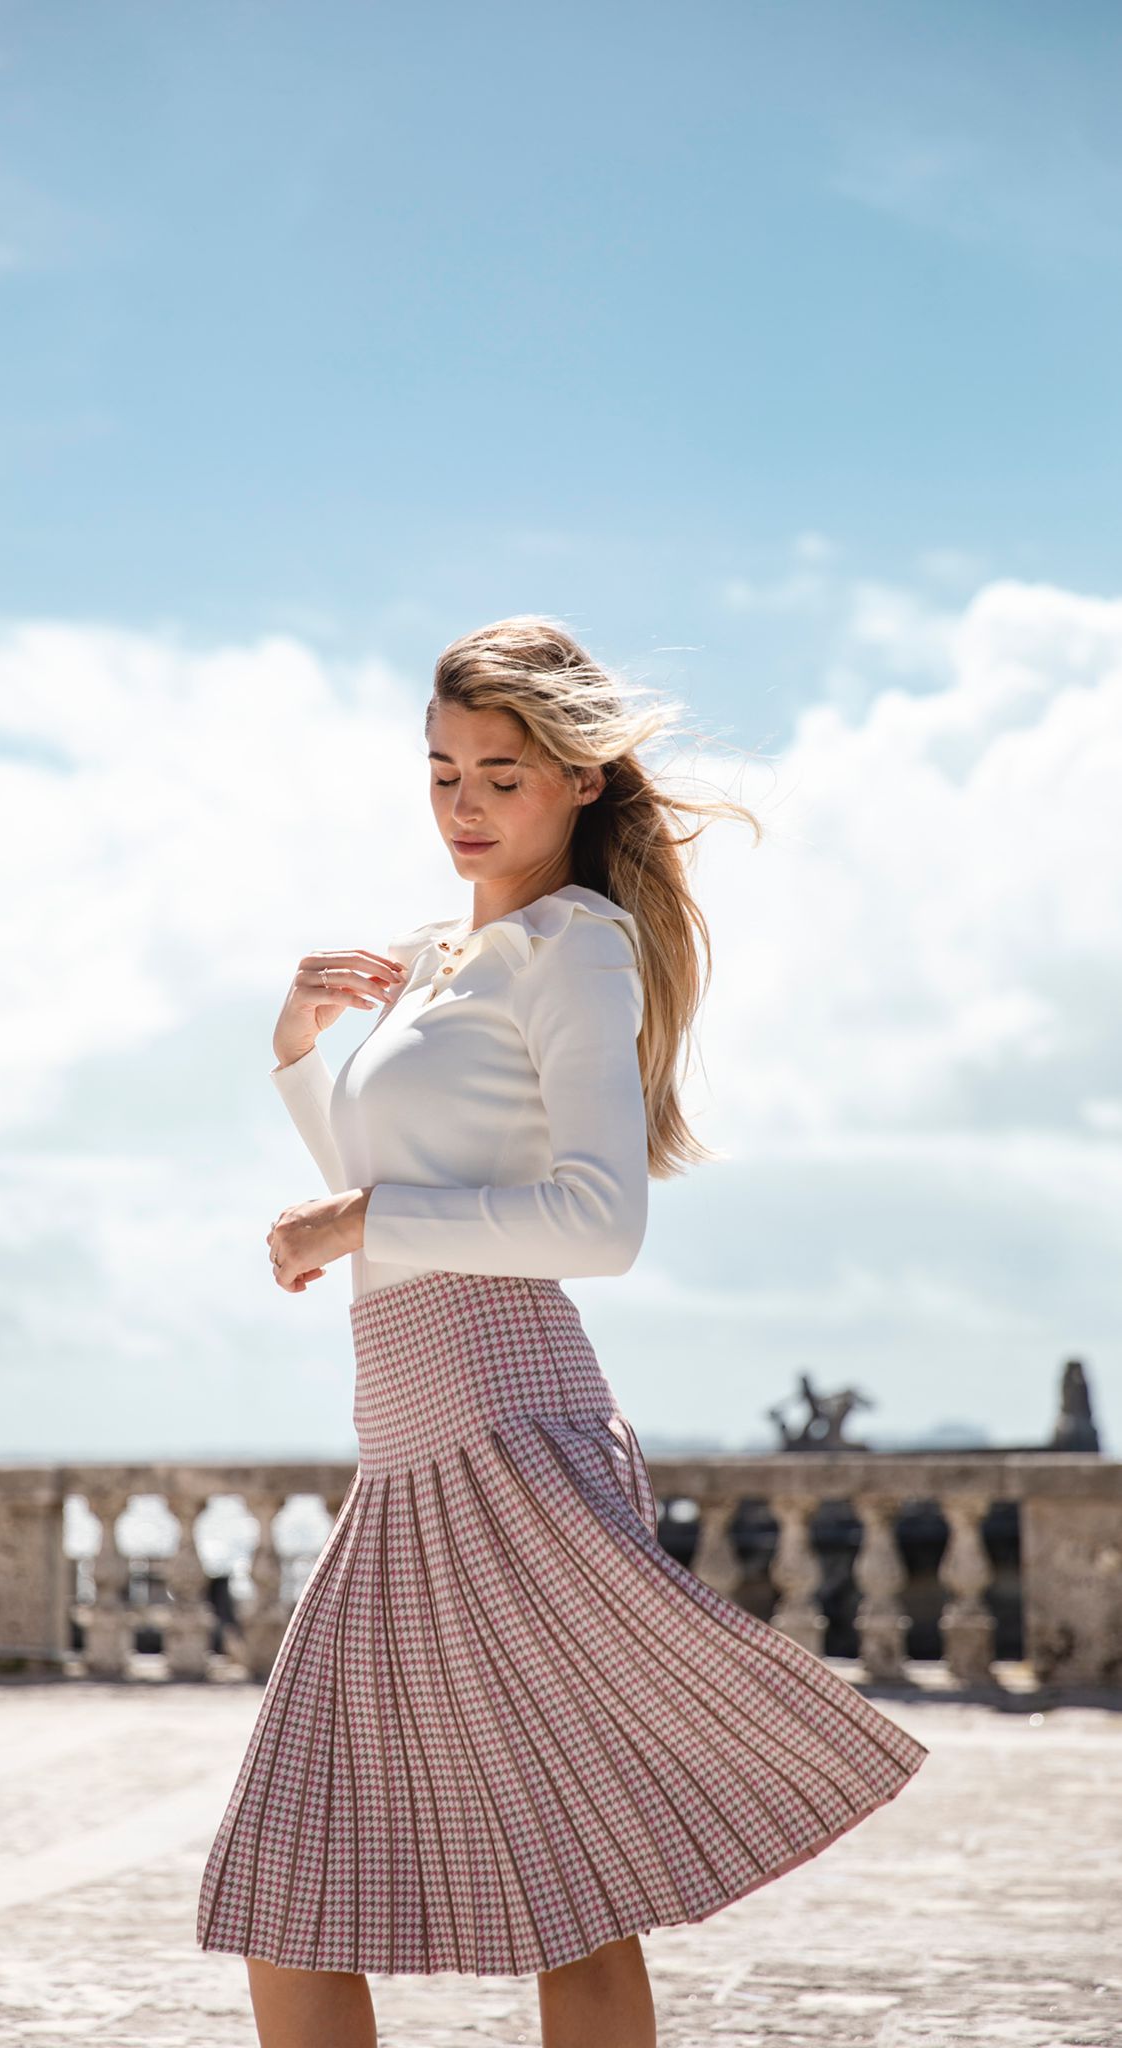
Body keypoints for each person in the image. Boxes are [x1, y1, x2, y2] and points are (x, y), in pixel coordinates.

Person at [196, 617, 929, 2048]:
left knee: (569, 1882)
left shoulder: (577, 949)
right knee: (292, 1885)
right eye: (443, 772)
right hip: (407, 1445)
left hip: (505, 1422)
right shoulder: (430, 955)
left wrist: (358, 1222)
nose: (465, 806)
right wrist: (295, 1052)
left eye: (502, 777)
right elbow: (387, 1161)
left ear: (581, 781)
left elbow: (598, 1222)